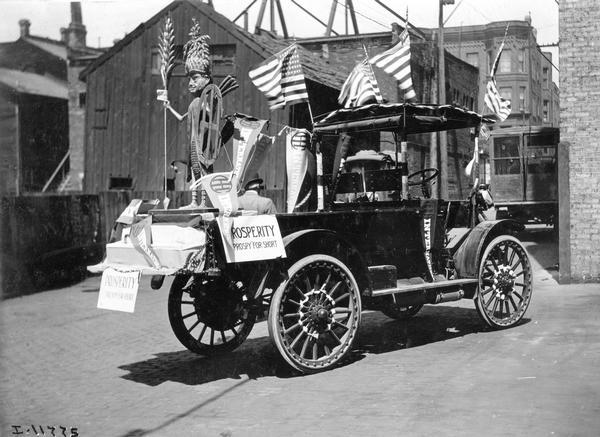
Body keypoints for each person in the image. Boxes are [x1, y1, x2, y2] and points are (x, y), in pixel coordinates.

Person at [163, 19, 214, 208]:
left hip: (202, 144)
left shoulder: (205, 101)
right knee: (194, 171)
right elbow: (183, 118)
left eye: (195, 78)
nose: (191, 83)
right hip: (192, 141)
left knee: (202, 170)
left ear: (206, 78)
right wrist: (169, 107)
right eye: (189, 78)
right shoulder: (194, 102)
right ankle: (194, 201)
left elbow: (210, 117)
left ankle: (203, 202)